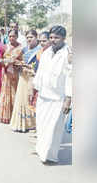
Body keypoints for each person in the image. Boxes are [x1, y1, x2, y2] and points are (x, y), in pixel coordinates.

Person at [33, 25, 72, 164]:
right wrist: (35, 90)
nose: (53, 40)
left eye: (56, 37)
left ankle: (49, 155)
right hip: (44, 95)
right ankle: (41, 150)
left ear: (63, 38)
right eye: (51, 37)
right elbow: (40, 73)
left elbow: (71, 77)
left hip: (58, 98)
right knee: (42, 125)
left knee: (53, 128)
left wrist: (68, 98)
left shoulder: (68, 54)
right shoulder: (46, 52)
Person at [9, 30, 41, 131]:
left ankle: (31, 124)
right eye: (27, 37)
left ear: (36, 37)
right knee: (21, 99)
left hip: (32, 78)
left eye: (31, 37)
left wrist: (29, 68)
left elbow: (40, 67)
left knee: (30, 100)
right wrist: (18, 64)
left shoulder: (40, 50)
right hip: (23, 77)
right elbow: (18, 60)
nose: (29, 39)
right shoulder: (24, 49)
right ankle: (21, 124)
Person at [0, 30, 22, 124]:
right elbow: (1, 58)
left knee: (14, 94)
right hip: (6, 73)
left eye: (13, 36)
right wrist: (2, 61)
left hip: (15, 75)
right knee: (5, 94)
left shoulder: (20, 48)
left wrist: (14, 62)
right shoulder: (5, 46)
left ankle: (14, 116)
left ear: (17, 36)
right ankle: (5, 116)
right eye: (10, 36)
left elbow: (22, 61)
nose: (12, 38)